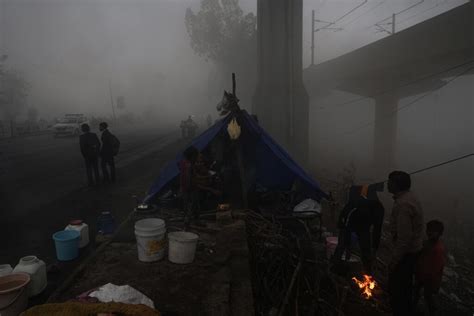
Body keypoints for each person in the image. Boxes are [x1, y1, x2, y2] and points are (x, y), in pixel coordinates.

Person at [387, 171, 424, 316]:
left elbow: (404, 238)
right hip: (412, 251)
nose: (387, 184)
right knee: (405, 286)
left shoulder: (403, 205)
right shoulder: (410, 197)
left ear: (396, 185)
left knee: (397, 289)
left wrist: (394, 261)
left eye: (390, 181)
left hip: (406, 254)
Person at [332, 183, 385, 274]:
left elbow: (377, 229)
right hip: (349, 224)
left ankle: (367, 272)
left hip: (363, 228)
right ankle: (335, 268)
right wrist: (347, 245)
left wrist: (375, 247)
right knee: (342, 246)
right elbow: (345, 221)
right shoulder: (356, 204)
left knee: (365, 249)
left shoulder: (379, 209)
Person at [414, 220, 446, 316]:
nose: (429, 232)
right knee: (416, 292)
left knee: (428, 296)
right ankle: (412, 308)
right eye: (428, 230)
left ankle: (433, 312)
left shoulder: (438, 249)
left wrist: (432, 279)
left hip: (430, 278)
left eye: (433, 231)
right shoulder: (426, 243)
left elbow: (437, 267)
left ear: (439, 233)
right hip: (420, 274)